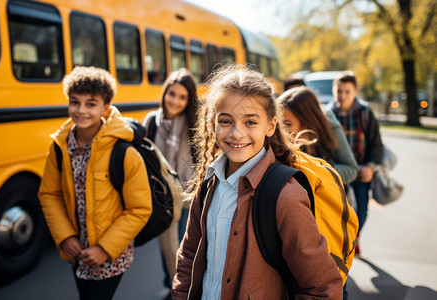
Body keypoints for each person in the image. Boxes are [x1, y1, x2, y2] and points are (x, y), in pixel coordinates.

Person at [172, 64, 342, 299]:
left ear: (270, 126)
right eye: (226, 121)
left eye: (250, 122)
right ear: (213, 123)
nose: (236, 133)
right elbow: (189, 255)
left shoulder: (285, 196)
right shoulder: (208, 184)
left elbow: (322, 288)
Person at [38, 66, 152, 300]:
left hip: (111, 254)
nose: (81, 110)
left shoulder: (124, 152)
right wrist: (65, 236)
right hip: (76, 249)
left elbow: (140, 209)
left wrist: (105, 248)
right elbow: (49, 194)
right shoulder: (59, 148)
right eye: (74, 102)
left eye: (91, 104)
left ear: (105, 108)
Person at [143, 68, 198, 296]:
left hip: (186, 196)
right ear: (164, 93)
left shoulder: (193, 122)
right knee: (165, 246)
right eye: (171, 94)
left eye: (182, 97)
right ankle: (171, 286)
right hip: (159, 196)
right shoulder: (151, 121)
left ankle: (183, 288)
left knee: (183, 250)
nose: (175, 101)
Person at [329, 70, 383, 257]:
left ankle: (354, 235)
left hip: (361, 173)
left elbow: (376, 145)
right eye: (339, 91)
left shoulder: (365, 114)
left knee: (361, 213)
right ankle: (345, 244)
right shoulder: (328, 115)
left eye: (347, 91)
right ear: (334, 90)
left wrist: (371, 166)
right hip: (339, 173)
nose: (342, 96)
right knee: (339, 213)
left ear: (355, 92)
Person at [277, 86, 358, 185]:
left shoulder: (330, 127)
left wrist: (317, 173)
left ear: (306, 122)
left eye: (288, 124)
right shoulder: (277, 138)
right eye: (279, 123)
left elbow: (351, 169)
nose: (282, 130)